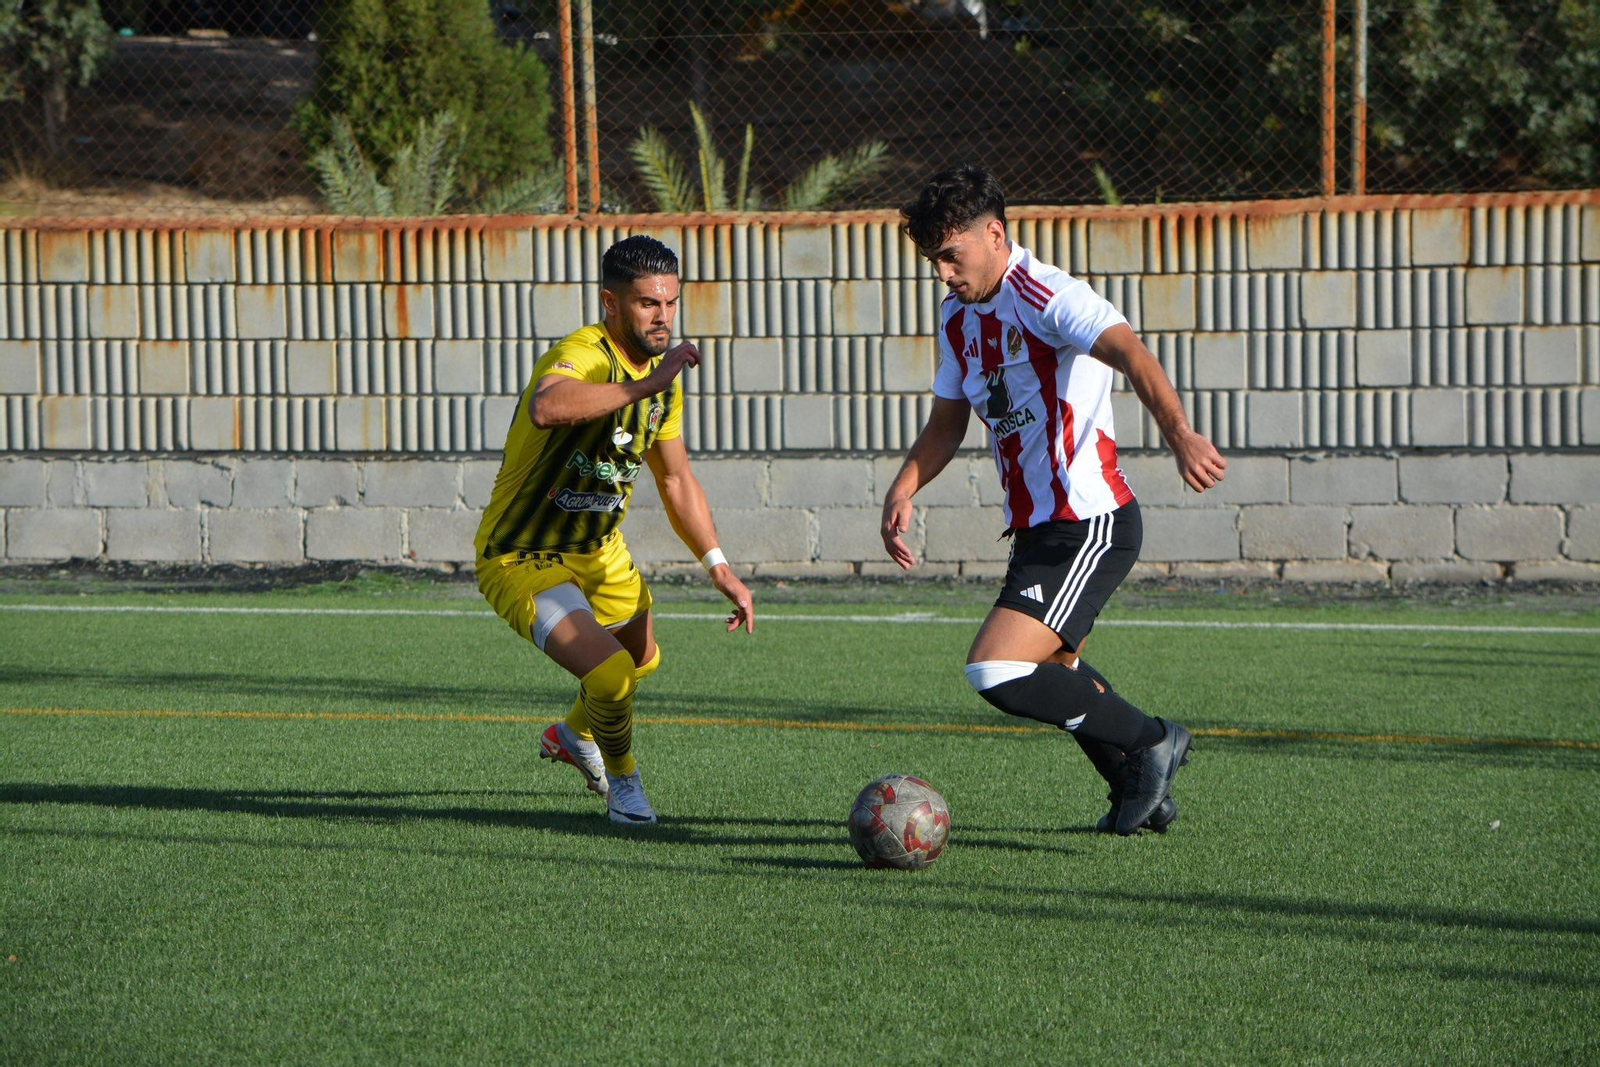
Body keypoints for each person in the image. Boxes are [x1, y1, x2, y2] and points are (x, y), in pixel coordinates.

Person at [880, 166, 1227, 835]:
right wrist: (904, 485)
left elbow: (1130, 350)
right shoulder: (957, 320)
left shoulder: (1044, 293)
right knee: (1054, 665)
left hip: (1090, 522)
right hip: (1040, 530)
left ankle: (1155, 742)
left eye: (952, 256)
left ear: (995, 234)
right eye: (934, 261)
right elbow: (948, 423)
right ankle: (1137, 787)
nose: (944, 274)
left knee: (996, 667)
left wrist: (1180, 433)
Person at [475, 235, 755, 826]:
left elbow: (677, 481)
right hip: (522, 553)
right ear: (610, 302)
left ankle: (574, 735)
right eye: (648, 303)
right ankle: (623, 785)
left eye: (671, 302)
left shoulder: (663, 379)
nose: (663, 317)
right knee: (609, 673)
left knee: (642, 660)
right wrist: (645, 385)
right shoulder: (587, 351)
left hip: (599, 552)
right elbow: (548, 407)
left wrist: (719, 565)